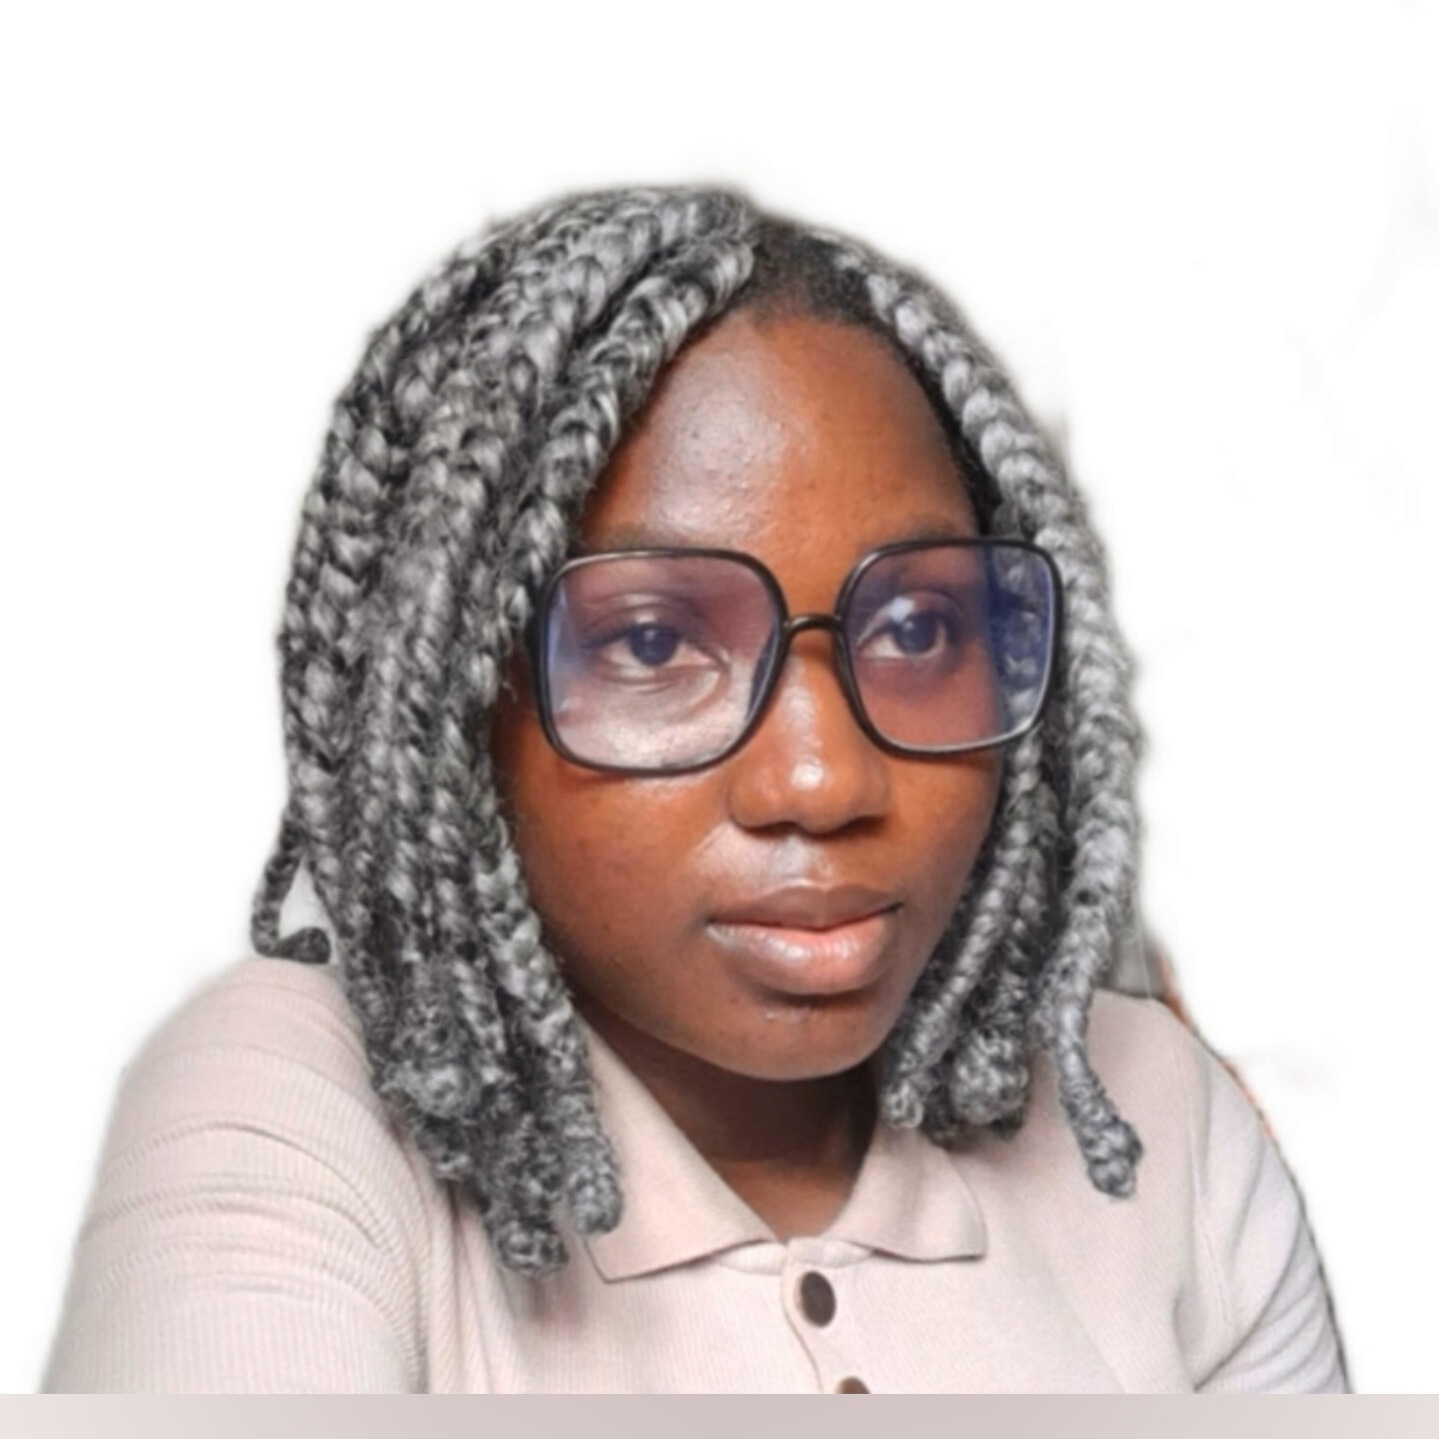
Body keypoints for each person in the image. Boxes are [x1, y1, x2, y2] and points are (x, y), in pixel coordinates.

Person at [42, 186, 1346, 1393]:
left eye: (917, 629)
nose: (824, 779)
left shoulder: (1154, 1123)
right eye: (656, 641)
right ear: (453, 695)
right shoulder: (291, 1105)